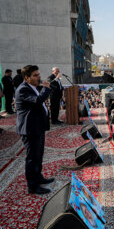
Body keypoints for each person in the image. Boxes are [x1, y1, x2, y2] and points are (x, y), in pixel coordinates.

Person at [15, 65, 54, 194]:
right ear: (27, 78)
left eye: (38, 74)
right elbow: (38, 101)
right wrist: (46, 88)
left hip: (37, 127)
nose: (39, 77)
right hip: (29, 129)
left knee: (39, 155)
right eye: (35, 75)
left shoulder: (33, 87)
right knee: (32, 158)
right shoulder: (22, 90)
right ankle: (32, 186)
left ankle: (38, 177)